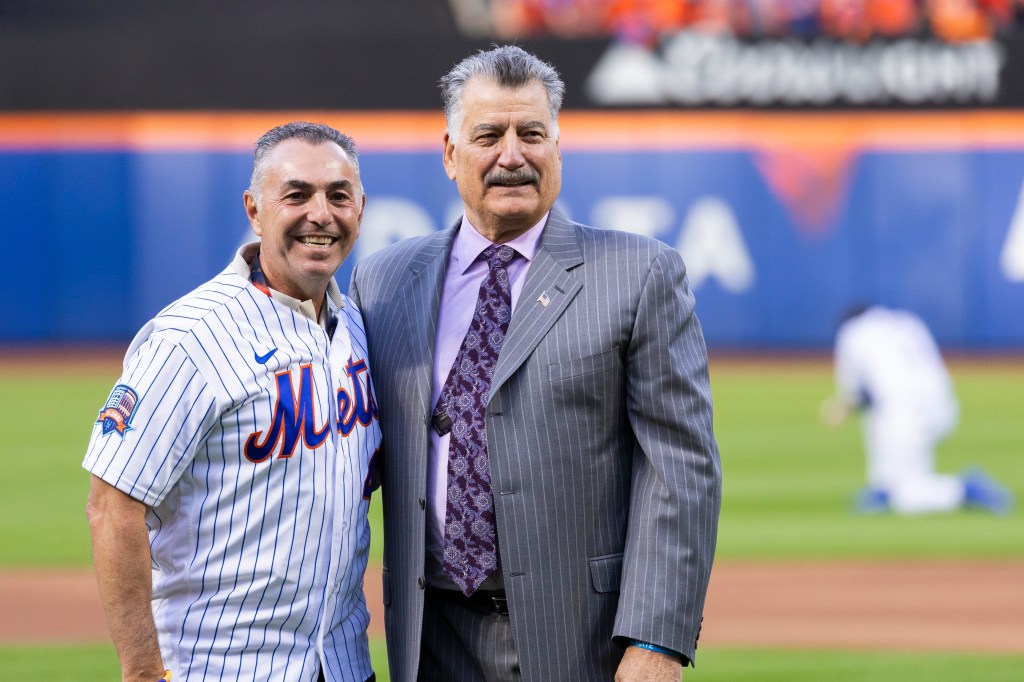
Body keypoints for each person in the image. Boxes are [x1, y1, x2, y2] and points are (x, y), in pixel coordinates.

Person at [349, 45, 722, 681]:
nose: (512, 155)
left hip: (582, 639)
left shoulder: (639, 274)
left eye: (532, 133)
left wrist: (657, 642)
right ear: (450, 153)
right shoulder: (384, 281)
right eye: (489, 135)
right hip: (428, 637)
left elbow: (679, 468)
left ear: (558, 147)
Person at [84, 122, 381, 682]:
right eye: (296, 194)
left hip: (343, 663)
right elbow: (111, 506)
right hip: (222, 666)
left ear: (360, 209)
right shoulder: (190, 337)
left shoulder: (358, 330)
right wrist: (143, 671)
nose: (321, 213)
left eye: (338, 196)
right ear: (254, 208)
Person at [821, 303, 1013, 515]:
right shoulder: (906, 321)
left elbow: (855, 395)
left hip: (904, 411)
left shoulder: (852, 333)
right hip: (942, 404)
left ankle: (965, 489)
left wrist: (840, 407)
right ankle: (882, 487)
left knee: (907, 496)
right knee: (880, 412)